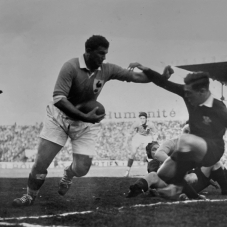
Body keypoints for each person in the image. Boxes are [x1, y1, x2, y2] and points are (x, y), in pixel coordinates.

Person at [12, 35, 170, 207]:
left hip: (85, 123)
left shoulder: (106, 69)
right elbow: (59, 98)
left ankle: (68, 174)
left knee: (82, 169)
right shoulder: (70, 67)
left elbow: (139, 78)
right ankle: (29, 196)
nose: (104, 58)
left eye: (106, 54)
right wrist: (85, 116)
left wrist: (157, 75)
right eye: (101, 53)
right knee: (41, 162)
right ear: (88, 51)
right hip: (59, 118)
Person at [126, 63, 227, 200]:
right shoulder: (190, 93)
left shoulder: (219, 109)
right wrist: (146, 69)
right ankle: (183, 192)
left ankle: (177, 188)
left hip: (213, 149)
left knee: (185, 139)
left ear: (202, 91)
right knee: (162, 174)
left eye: (189, 94)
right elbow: (164, 84)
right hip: (192, 150)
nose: (186, 96)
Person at [128, 125, 227, 199]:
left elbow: (203, 166)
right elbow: (159, 155)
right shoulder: (172, 143)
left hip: (188, 180)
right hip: (172, 180)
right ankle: (137, 187)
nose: (189, 135)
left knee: (213, 163)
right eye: (186, 132)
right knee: (152, 175)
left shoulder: (196, 148)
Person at [124, 112, 158, 177]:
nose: (142, 120)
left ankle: (149, 171)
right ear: (139, 119)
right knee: (133, 153)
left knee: (149, 154)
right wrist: (126, 142)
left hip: (147, 137)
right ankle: (127, 171)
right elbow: (129, 132)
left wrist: (154, 140)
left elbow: (155, 133)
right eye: (141, 118)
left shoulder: (150, 124)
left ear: (146, 119)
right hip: (138, 136)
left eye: (144, 118)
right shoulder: (137, 123)